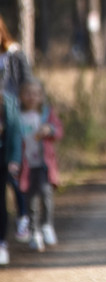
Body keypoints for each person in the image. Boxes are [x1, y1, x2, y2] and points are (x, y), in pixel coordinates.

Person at [19, 78, 63, 252]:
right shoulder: (17, 116)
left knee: (46, 194)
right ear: (21, 96)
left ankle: (47, 225)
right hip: (26, 166)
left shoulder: (46, 114)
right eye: (28, 93)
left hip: (44, 164)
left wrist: (49, 130)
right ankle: (34, 232)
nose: (32, 97)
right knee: (31, 200)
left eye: (36, 94)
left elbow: (58, 131)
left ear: (41, 96)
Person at [0, 15, 31, 241]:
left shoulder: (14, 54)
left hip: (15, 117)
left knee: (15, 173)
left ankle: (23, 215)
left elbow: (26, 83)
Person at [0, 89, 23, 265]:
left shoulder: (9, 101)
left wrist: (15, 159)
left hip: (3, 158)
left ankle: (2, 243)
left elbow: (15, 131)